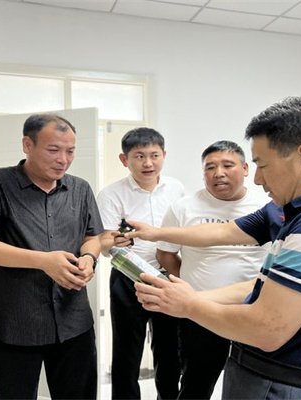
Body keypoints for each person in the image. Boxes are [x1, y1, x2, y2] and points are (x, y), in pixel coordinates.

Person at [132, 97, 301, 400]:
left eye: (262, 165)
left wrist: (189, 305)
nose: (257, 178)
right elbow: (243, 257)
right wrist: (186, 290)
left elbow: (266, 329)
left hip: (287, 386)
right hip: (269, 379)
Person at [0, 113, 103, 400]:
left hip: (73, 321)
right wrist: (43, 261)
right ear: (28, 145)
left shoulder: (80, 189)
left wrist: (89, 258)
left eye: (70, 151)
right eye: (53, 150)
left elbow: (92, 237)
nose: (63, 159)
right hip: (16, 322)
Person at [156, 140, 269, 399]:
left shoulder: (266, 207)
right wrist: (190, 287)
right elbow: (165, 253)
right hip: (200, 310)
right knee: (197, 381)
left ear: (245, 169)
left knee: (252, 381)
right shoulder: (184, 207)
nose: (218, 173)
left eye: (228, 165)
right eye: (210, 167)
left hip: (252, 308)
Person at [97, 127, 184, 400]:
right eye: (139, 156)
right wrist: (114, 241)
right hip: (128, 278)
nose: (148, 163)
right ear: (124, 160)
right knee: (127, 351)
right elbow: (103, 243)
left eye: (154, 155)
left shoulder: (176, 188)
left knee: (170, 350)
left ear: (164, 155)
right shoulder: (111, 194)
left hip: (168, 276)